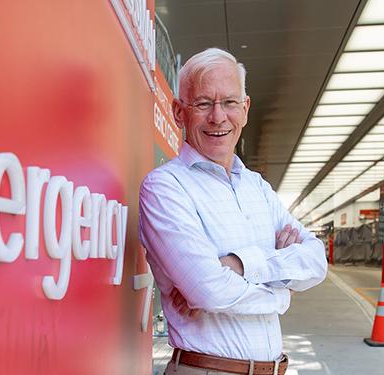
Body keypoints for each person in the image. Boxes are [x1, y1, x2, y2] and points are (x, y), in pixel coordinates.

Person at [138, 47, 327, 375]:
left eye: (229, 102)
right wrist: (281, 293)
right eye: (203, 103)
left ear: (246, 108)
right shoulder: (164, 188)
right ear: (178, 112)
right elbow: (209, 291)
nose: (218, 117)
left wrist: (238, 265)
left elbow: (315, 261)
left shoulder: (258, 188)